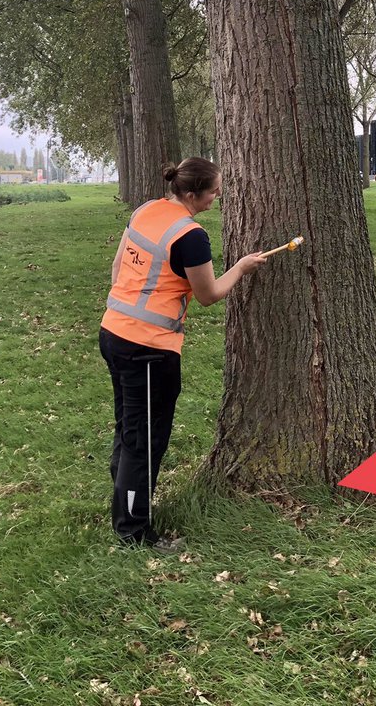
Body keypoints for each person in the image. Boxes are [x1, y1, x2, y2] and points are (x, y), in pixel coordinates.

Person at [99, 158, 268, 551]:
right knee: (144, 440)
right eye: (214, 191)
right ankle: (133, 531)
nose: (218, 196)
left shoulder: (146, 211)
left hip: (114, 332)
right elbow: (208, 294)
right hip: (148, 350)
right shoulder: (191, 236)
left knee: (129, 425)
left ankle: (123, 489)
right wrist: (241, 268)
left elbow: (116, 267)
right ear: (192, 194)